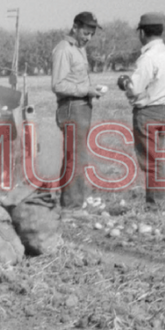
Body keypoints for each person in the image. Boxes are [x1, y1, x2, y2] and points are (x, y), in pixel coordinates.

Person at [118, 12, 165, 207]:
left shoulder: (148, 58)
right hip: (164, 110)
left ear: (142, 33)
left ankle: (156, 205)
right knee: (157, 158)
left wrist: (124, 82)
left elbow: (135, 88)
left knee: (150, 161)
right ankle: (161, 201)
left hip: (147, 112)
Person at [49, 11, 103, 210]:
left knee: (75, 156)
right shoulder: (64, 49)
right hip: (71, 108)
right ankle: (72, 206)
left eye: (91, 34)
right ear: (75, 27)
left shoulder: (79, 49)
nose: (88, 38)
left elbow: (75, 79)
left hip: (81, 106)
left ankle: (69, 202)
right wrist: (86, 90)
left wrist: (90, 90)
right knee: (77, 158)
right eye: (86, 33)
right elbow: (58, 85)